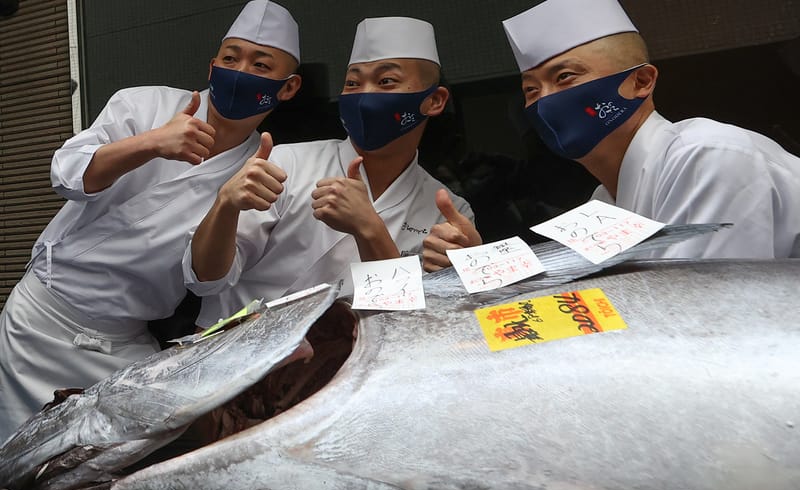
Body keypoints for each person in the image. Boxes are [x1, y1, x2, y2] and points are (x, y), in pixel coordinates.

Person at [0, 0, 302, 446]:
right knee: (14, 466)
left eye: (260, 64)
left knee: (110, 481)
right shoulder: (145, 104)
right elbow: (66, 174)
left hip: (123, 344)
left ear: (288, 87)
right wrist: (150, 143)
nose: (240, 71)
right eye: (231, 58)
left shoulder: (265, 169)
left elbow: (206, 281)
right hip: (41, 319)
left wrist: (227, 203)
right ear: (212, 65)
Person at [423, 0, 800, 271]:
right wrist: (476, 261)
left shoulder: (707, 156)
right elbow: (570, 292)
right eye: (531, 90)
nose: (547, 101)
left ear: (640, 81)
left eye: (565, 77)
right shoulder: (604, 202)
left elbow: (702, 316)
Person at [185, 16, 473, 327]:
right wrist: (225, 205)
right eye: (353, 83)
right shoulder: (286, 163)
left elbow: (408, 325)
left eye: (386, 81)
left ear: (434, 100)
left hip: (352, 365)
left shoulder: (449, 210)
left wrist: (371, 230)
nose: (365, 94)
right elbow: (206, 279)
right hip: (233, 353)